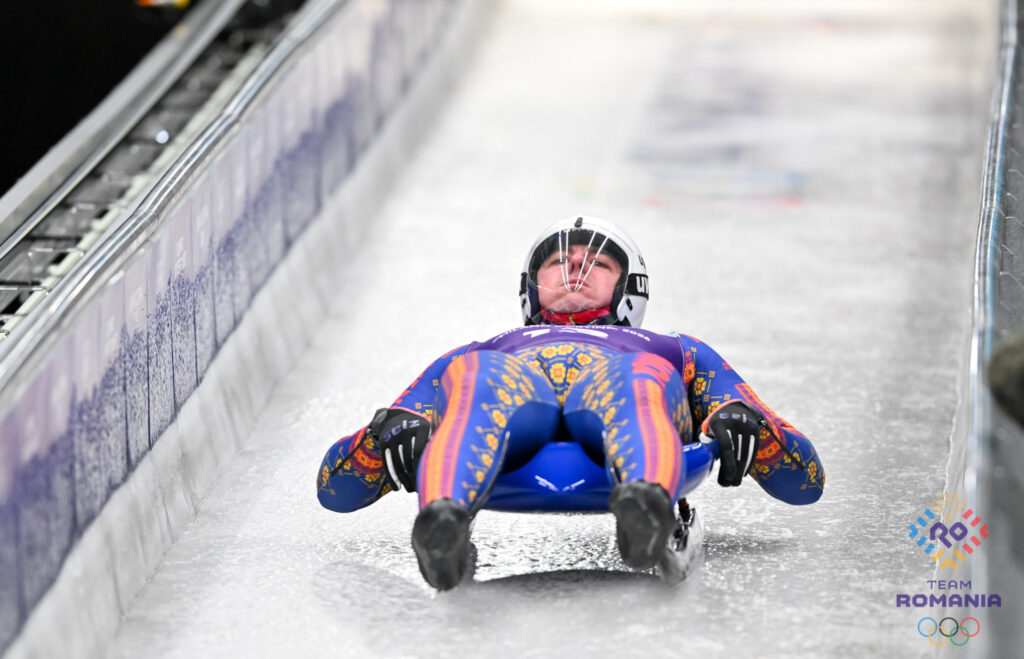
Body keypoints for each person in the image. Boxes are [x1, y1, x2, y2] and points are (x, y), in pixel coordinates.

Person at [316, 216, 825, 590]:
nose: (575, 268)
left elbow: (805, 482)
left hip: (621, 398)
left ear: (629, 287)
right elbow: (334, 488)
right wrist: (387, 433)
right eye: (560, 262)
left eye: (596, 263)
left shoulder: (671, 350)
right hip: (510, 414)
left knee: (634, 374)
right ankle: (443, 519)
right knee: (480, 376)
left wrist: (745, 424)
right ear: (531, 286)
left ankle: (643, 501)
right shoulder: (484, 352)